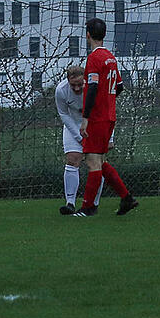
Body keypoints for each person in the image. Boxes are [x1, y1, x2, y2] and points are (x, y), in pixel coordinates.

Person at [73, 17, 138, 217]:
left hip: (98, 117)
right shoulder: (110, 57)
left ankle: (88, 208)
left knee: (92, 162)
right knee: (100, 160)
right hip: (109, 115)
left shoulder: (94, 58)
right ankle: (126, 198)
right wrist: (107, 99)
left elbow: (92, 87)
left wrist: (86, 117)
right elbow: (119, 86)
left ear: (88, 35)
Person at [55, 65, 104, 215]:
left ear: (85, 80)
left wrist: (110, 136)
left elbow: (105, 112)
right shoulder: (61, 90)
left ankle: (93, 204)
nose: (76, 88)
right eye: (73, 85)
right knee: (72, 159)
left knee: (96, 164)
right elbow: (64, 114)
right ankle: (70, 203)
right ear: (67, 81)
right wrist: (78, 136)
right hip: (73, 126)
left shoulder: (96, 88)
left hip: (95, 125)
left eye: (80, 84)